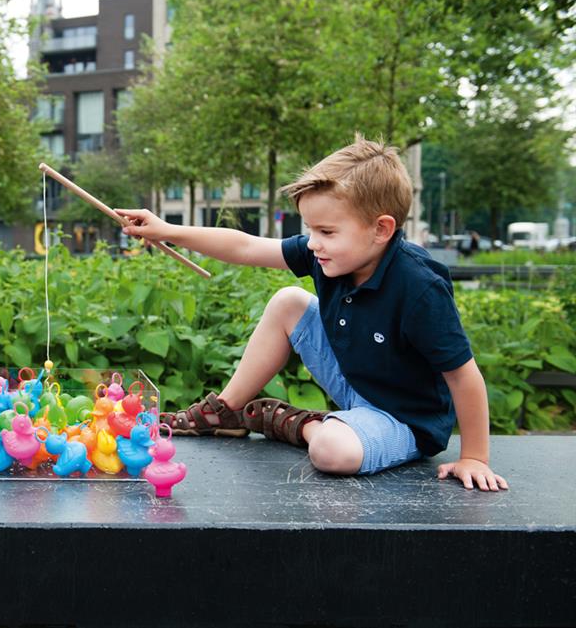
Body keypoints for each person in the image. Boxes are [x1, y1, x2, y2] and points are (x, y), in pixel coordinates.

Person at [116, 135, 507, 491]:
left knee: (332, 453)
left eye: (327, 232)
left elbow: (463, 375)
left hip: (402, 418)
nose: (314, 244)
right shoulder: (329, 254)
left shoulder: (421, 287)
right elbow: (247, 247)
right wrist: (165, 229)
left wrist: (474, 457)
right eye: (311, 230)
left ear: (381, 229)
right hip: (356, 383)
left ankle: (295, 422)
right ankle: (225, 412)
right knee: (289, 300)